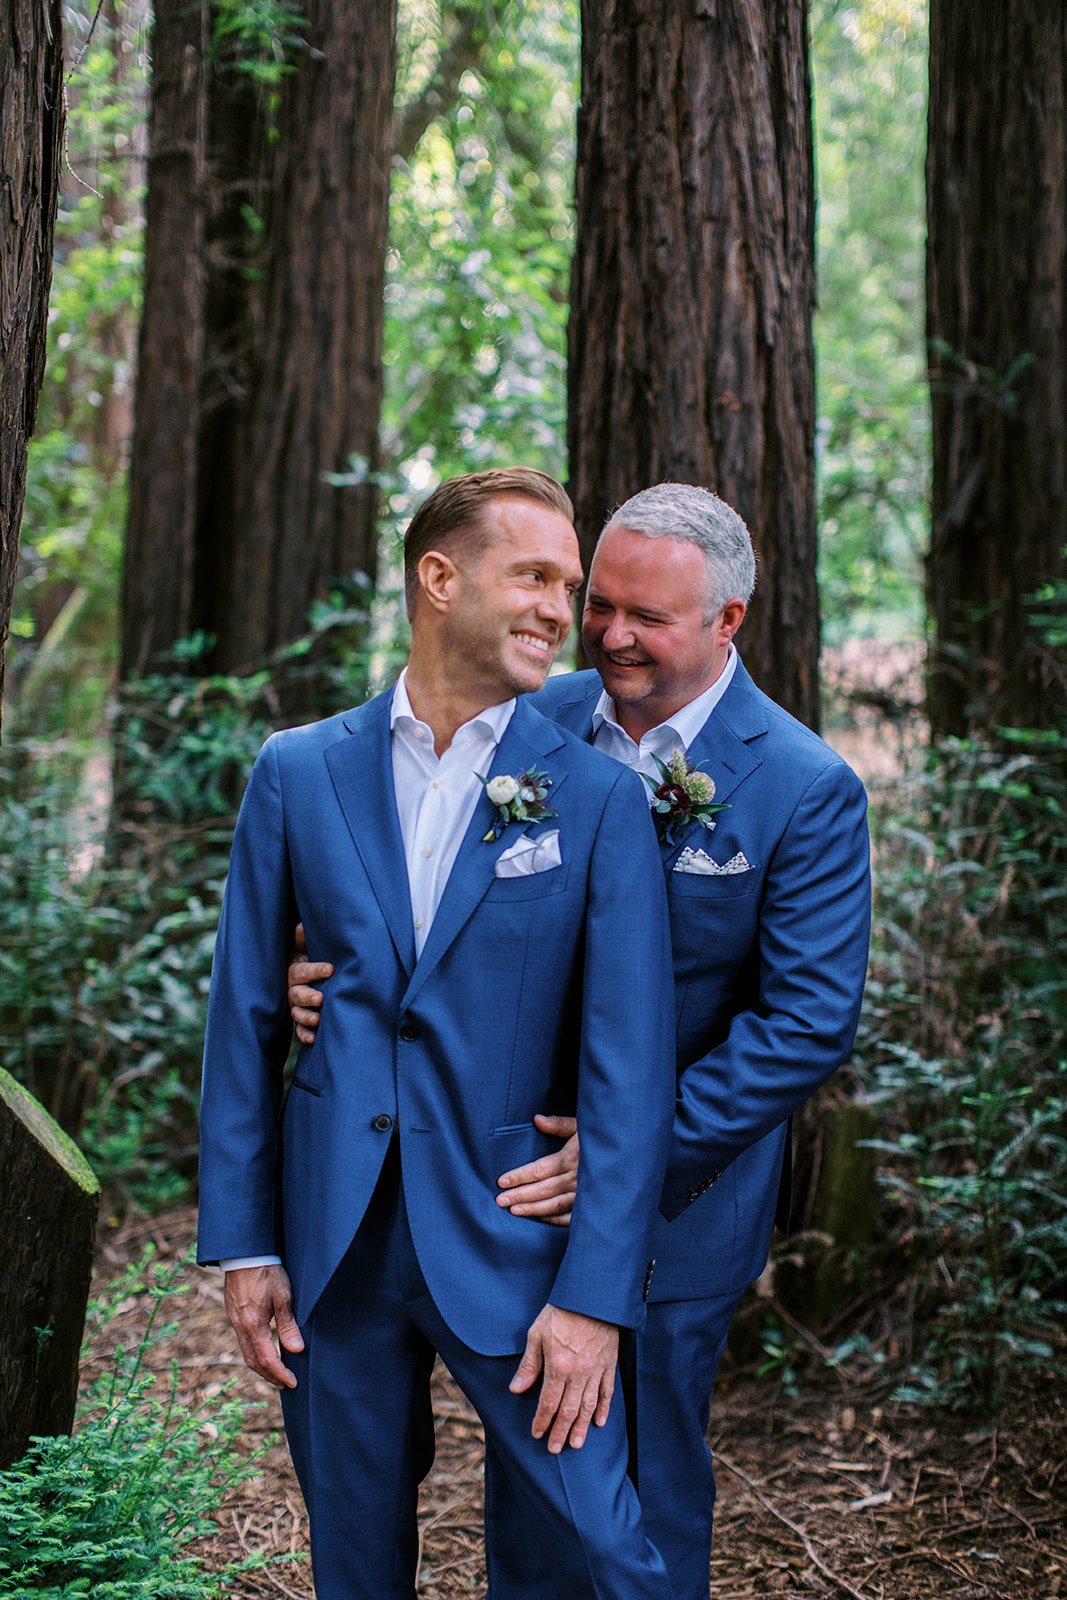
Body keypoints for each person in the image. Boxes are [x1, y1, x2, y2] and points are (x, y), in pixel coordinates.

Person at [288, 482, 872, 1600]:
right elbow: (390, 875)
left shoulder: (803, 787)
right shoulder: (525, 716)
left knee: (630, 1504)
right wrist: (311, 976)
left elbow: (803, 1022)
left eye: (645, 617)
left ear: (726, 622)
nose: (607, 633)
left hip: (667, 1205)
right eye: (597, 603)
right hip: (486, 1174)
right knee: (538, 1489)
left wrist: (621, 1155)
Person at [197, 468, 679, 1600]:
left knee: (604, 1551)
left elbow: (628, 1062)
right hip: (334, 1244)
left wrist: (596, 1295)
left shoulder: (597, 798)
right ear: (437, 576)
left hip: (515, 1243)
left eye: (567, 584)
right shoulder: (297, 771)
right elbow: (245, 1018)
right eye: (535, 576)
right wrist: (247, 1245)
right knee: (354, 1566)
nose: (561, 612)